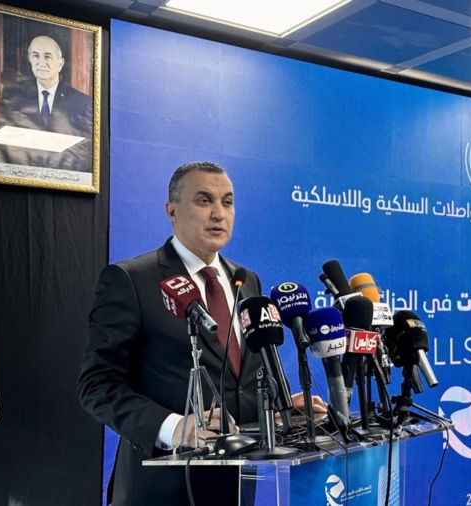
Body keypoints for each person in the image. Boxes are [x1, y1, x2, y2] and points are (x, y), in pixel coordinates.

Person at [79, 162, 325, 505]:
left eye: (228, 202)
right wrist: (174, 427)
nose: (219, 214)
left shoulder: (246, 280)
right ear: (172, 211)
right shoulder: (132, 279)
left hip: (237, 484)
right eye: (204, 200)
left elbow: (242, 380)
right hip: (162, 488)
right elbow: (97, 385)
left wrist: (281, 412)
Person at [0, 35, 92, 172]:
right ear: (30, 60)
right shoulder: (11, 96)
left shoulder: (82, 102)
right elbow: (1, 147)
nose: (41, 62)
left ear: (60, 64)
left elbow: (85, 155)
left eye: (47, 56)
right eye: (36, 56)